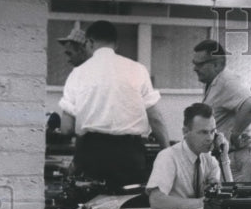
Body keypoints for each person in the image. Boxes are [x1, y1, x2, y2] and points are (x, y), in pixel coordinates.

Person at [59, 19, 170, 189]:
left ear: (89, 42)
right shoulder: (137, 69)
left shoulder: (78, 73)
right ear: (116, 44)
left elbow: (66, 127)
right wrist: (166, 151)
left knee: (90, 206)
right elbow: (155, 118)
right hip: (129, 155)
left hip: (91, 153)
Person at [192, 40, 251, 183]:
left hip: (239, 156)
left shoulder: (227, 81)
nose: (195, 68)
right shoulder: (214, 83)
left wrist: (235, 134)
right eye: (194, 63)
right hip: (230, 156)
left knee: (242, 203)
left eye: (199, 64)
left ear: (216, 65)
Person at [146, 102, 232, 209]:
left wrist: (224, 157)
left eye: (212, 131)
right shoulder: (168, 156)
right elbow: (156, 200)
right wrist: (201, 203)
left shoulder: (210, 159)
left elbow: (230, 196)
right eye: (203, 132)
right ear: (185, 132)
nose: (210, 138)